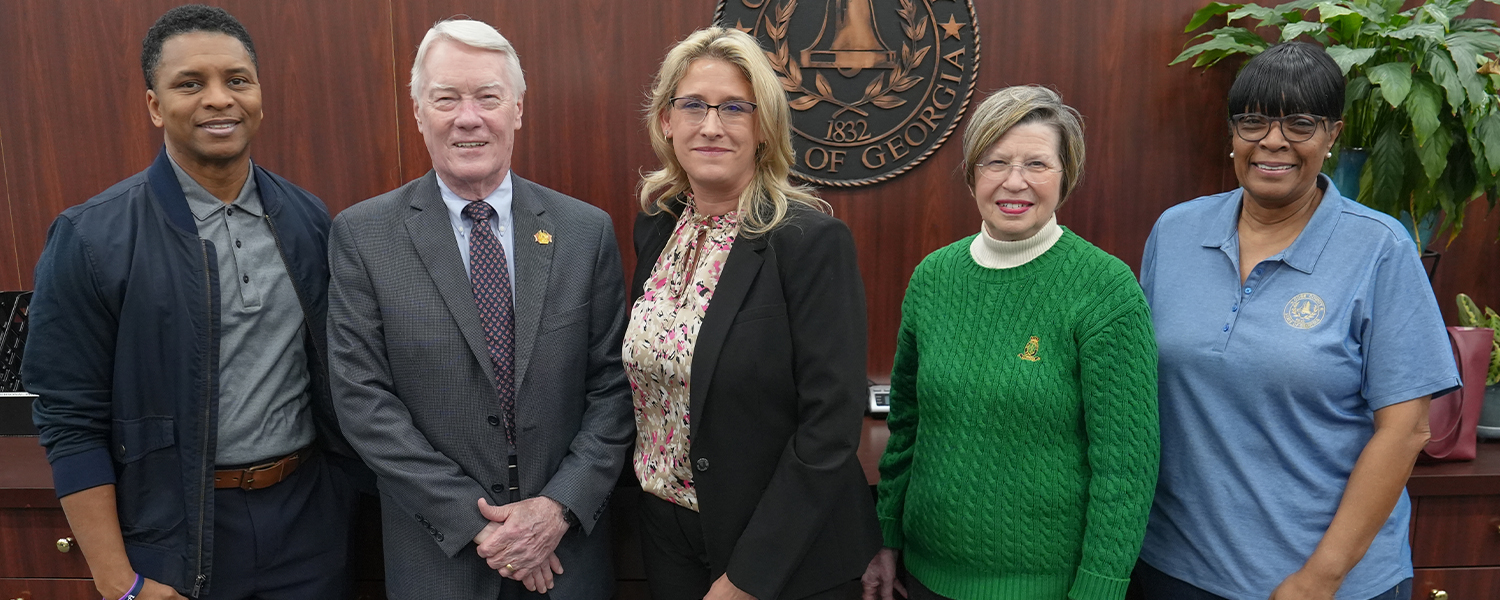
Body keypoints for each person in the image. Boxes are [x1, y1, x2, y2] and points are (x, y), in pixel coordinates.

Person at [25, 5, 365, 599]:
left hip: (309, 522)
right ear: (155, 104)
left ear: (259, 93)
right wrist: (118, 582)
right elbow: (69, 421)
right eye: (190, 84)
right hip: (175, 535)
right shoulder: (92, 237)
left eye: (237, 80)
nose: (218, 99)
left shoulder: (309, 220)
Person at [1134, 41, 1462, 600]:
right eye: (1253, 121)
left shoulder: (1380, 249)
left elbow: (1405, 430)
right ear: (1233, 133)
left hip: (1327, 582)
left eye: (1300, 124)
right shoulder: (1176, 232)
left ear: (1333, 135)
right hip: (1175, 568)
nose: (1273, 141)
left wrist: (1319, 579)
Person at [327, 18, 633, 600]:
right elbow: (362, 401)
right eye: (446, 98)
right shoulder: (364, 237)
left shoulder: (583, 232)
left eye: (488, 97)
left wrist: (555, 510)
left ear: (517, 109)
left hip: (567, 555)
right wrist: (481, 528)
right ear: (419, 113)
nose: (468, 117)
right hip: (436, 560)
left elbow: (613, 387)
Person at [861, 85, 1159, 600]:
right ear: (972, 173)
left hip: (1049, 587)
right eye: (995, 162)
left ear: (1066, 176)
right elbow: (907, 423)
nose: (1014, 182)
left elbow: (1127, 467)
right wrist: (886, 537)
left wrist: (1100, 588)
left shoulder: (1105, 289)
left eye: (1037, 164)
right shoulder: (933, 277)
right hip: (926, 575)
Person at [624, 27, 882, 600]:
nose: (711, 125)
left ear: (764, 127)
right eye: (693, 105)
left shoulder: (811, 242)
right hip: (669, 535)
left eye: (735, 108)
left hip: (785, 555)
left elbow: (830, 425)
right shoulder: (657, 227)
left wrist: (747, 579)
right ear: (666, 120)